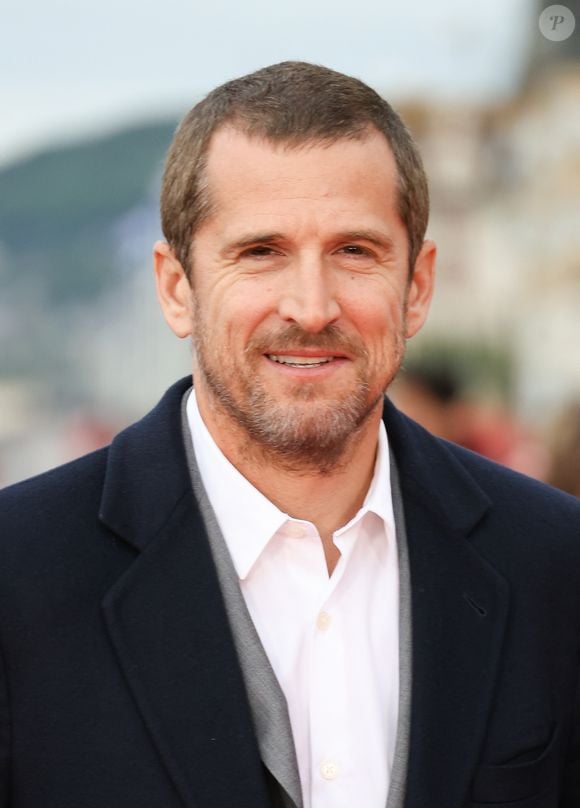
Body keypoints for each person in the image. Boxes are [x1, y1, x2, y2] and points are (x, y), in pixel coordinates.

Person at [0, 61, 578, 808]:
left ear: (418, 287)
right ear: (178, 288)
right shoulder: (17, 576)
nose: (310, 307)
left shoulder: (556, 565)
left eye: (354, 251)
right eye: (261, 252)